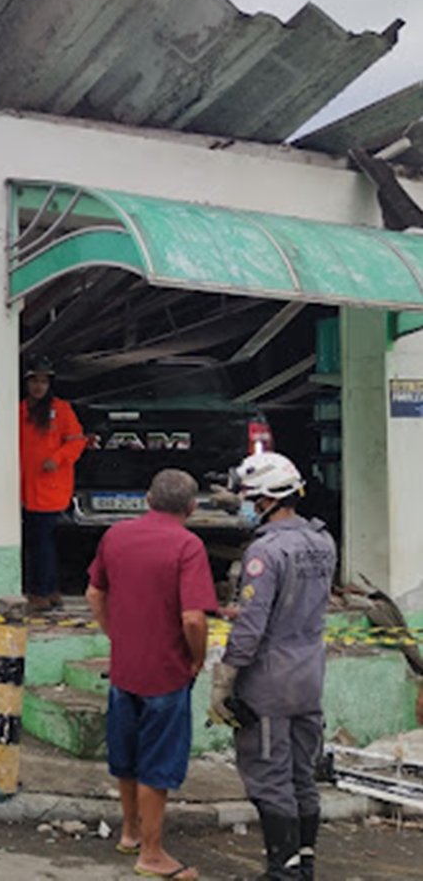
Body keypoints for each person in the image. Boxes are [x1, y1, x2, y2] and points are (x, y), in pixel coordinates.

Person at [208, 452, 336, 880]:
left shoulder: (265, 552)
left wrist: (225, 678)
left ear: (265, 499)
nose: (245, 505)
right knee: (303, 775)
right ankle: (304, 864)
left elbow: (251, 626)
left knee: (269, 775)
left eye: (247, 498)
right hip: (309, 675)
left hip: (269, 681)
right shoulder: (322, 541)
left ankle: (283, 871)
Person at [86, 469, 216, 880]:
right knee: (157, 765)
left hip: (125, 668)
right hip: (166, 671)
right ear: (192, 507)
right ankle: (153, 854)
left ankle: (130, 832)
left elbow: (93, 593)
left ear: (147, 498)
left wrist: (116, 635)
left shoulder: (117, 536)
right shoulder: (188, 546)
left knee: (126, 757)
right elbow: (194, 619)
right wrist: (197, 659)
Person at [19, 357, 85, 610]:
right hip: (26, 488)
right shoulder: (20, 410)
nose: (39, 386)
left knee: (40, 540)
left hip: (50, 487)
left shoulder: (62, 410)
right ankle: (49, 589)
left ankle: (41, 592)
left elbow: (76, 441)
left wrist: (57, 459)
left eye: (43, 381)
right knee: (39, 540)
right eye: (34, 380)